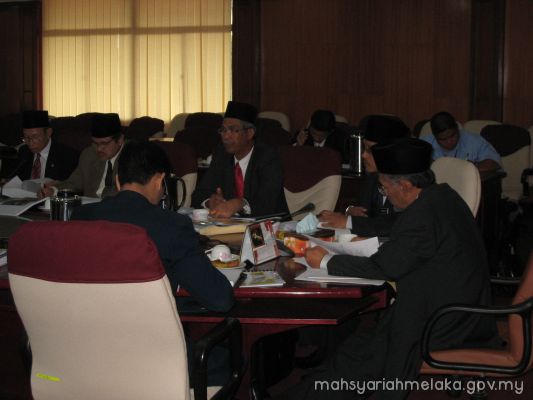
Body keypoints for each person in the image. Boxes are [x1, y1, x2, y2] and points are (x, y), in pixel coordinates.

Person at [274, 138, 499, 400]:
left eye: (384, 187)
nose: (384, 193)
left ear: (404, 185)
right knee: (356, 349)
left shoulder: (424, 215)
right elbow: (400, 237)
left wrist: (326, 261)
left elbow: (385, 267)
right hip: (452, 307)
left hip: (443, 321)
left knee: (359, 361)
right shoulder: (442, 197)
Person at [71, 140, 234, 385]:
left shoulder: (81, 217)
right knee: (232, 358)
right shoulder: (172, 226)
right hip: (154, 360)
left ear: (118, 181)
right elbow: (220, 300)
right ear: (159, 181)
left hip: (87, 354)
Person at [191, 100, 288, 218]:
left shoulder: (268, 158)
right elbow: (198, 194)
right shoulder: (221, 155)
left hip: (271, 224)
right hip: (230, 224)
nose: (226, 136)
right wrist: (209, 202)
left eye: (233, 130)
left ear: (250, 133)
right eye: (223, 130)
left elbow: (267, 202)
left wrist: (241, 204)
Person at [319, 115, 410, 237]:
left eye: (370, 150)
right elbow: (361, 211)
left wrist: (349, 222)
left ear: (390, 152)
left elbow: (396, 225)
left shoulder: (409, 183)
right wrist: (349, 211)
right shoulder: (373, 178)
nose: (363, 155)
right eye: (364, 148)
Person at [41, 113, 125, 198]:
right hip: (91, 205)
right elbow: (73, 183)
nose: (99, 149)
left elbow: (124, 190)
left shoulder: (131, 157)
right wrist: (53, 190)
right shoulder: (88, 155)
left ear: (120, 140)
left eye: (104, 143)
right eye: (95, 143)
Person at [421, 111, 501, 172]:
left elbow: (494, 163)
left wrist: (471, 167)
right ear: (434, 136)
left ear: (457, 128)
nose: (449, 142)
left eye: (452, 136)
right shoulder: (424, 144)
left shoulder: (474, 141)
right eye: (443, 139)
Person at [16, 110, 78, 182]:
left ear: (48, 133)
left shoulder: (67, 155)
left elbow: (71, 184)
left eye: (35, 137)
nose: (30, 142)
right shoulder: (23, 151)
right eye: (26, 137)